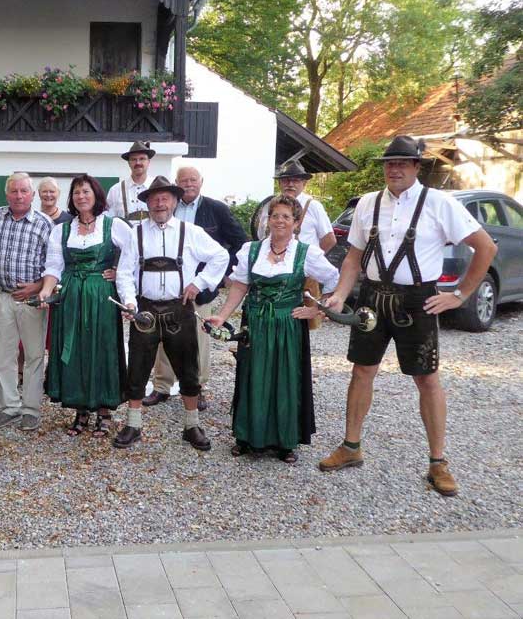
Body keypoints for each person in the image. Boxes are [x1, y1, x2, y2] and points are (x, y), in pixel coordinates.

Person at [318, 136, 496, 496]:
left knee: (427, 379)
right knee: (361, 370)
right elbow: (353, 258)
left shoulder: (439, 203)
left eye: (402, 163)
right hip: (372, 296)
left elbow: (486, 247)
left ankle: (437, 463)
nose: (394, 168)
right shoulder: (368, 204)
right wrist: (339, 294)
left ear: (416, 167)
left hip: (418, 299)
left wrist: (459, 295)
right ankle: (351, 447)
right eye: (389, 163)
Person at [208, 194, 339, 463]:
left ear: (296, 222)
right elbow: (240, 286)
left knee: (285, 379)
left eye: (286, 217)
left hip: (287, 324)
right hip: (255, 322)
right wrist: (221, 316)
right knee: (251, 377)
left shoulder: (306, 253)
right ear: (268, 220)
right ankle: (246, 437)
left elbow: (333, 281)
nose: (279, 221)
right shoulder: (252, 250)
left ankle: (284, 441)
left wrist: (316, 310)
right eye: (275, 215)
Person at [114, 177, 230, 450]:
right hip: (145, 311)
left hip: (181, 311)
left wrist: (199, 283)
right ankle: (133, 424)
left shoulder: (190, 232)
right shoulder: (136, 233)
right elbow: (124, 273)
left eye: (165, 198)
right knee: (138, 369)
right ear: (147, 203)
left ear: (175, 201)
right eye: (154, 199)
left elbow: (221, 257)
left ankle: (191, 425)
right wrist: (129, 302)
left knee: (189, 369)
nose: (159, 203)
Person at [147, 165, 248, 410]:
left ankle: (196, 387)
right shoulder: (168, 208)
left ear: (201, 182)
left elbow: (240, 243)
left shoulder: (216, 209)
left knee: (199, 338)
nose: (188, 184)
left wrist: (225, 274)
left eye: (193, 180)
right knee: (164, 337)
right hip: (169, 290)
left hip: (199, 289)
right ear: (176, 184)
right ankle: (162, 386)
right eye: (184, 180)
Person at [38, 175, 131, 437]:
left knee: (102, 349)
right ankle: (81, 409)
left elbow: (135, 255)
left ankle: (103, 410)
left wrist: (116, 269)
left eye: (86, 191)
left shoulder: (113, 225)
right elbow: (54, 266)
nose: (81, 196)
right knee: (76, 349)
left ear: (96, 195)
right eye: (76, 192)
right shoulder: (62, 230)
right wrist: (46, 291)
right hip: (71, 296)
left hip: (101, 296)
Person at [0, 173, 53, 431]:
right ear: (7, 194)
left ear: (32, 195)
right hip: (1, 295)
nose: (19, 196)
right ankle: (9, 407)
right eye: (14, 191)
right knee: (4, 355)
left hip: (31, 300)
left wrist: (37, 286)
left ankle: (31, 409)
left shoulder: (44, 223)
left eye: (24, 191)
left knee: (35, 355)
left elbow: (54, 264)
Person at [255, 160, 336, 252]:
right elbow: (261, 236)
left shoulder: (313, 206)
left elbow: (329, 240)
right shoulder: (270, 205)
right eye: (286, 180)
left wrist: (311, 260)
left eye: (295, 180)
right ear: (279, 183)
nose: (290, 184)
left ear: (304, 184)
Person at [105, 141, 155, 225]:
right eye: (133, 159)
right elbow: (109, 221)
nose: (138, 163)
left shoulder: (157, 188)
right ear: (129, 163)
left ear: (148, 162)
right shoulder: (115, 190)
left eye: (142, 159)